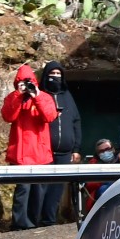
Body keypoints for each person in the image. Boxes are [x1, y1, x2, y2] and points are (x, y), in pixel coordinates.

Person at [1, 63, 59, 230]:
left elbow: (50, 116)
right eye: (23, 83)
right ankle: (19, 224)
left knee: (38, 191)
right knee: (23, 190)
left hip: (40, 154)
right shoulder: (13, 98)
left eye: (29, 82)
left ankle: (34, 223)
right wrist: (18, 95)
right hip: (21, 154)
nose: (26, 86)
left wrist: (36, 96)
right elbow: (8, 116)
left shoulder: (44, 97)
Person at [37, 61, 82, 228]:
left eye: (58, 74)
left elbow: (76, 121)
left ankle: (49, 220)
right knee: (42, 187)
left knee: (57, 189)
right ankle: (37, 219)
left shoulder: (67, 96)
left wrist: (76, 148)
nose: (55, 77)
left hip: (65, 152)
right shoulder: (40, 95)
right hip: (45, 152)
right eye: (52, 74)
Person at [82, 138, 120, 213]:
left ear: (113, 149)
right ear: (98, 154)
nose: (105, 152)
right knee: (104, 189)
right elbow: (89, 185)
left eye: (107, 149)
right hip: (102, 192)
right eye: (101, 151)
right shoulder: (93, 164)